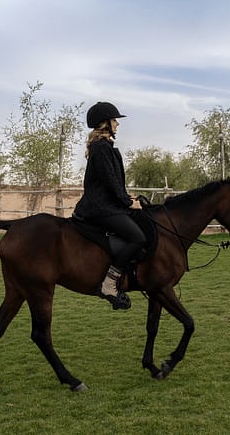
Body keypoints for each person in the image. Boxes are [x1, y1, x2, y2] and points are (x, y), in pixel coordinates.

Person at [74, 101, 146, 310]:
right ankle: (109, 283)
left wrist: (127, 197)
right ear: (104, 123)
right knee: (137, 237)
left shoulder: (105, 147)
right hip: (100, 208)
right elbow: (109, 182)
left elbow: (115, 182)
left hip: (107, 204)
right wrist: (127, 202)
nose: (117, 124)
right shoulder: (101, 148)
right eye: (115, 120)